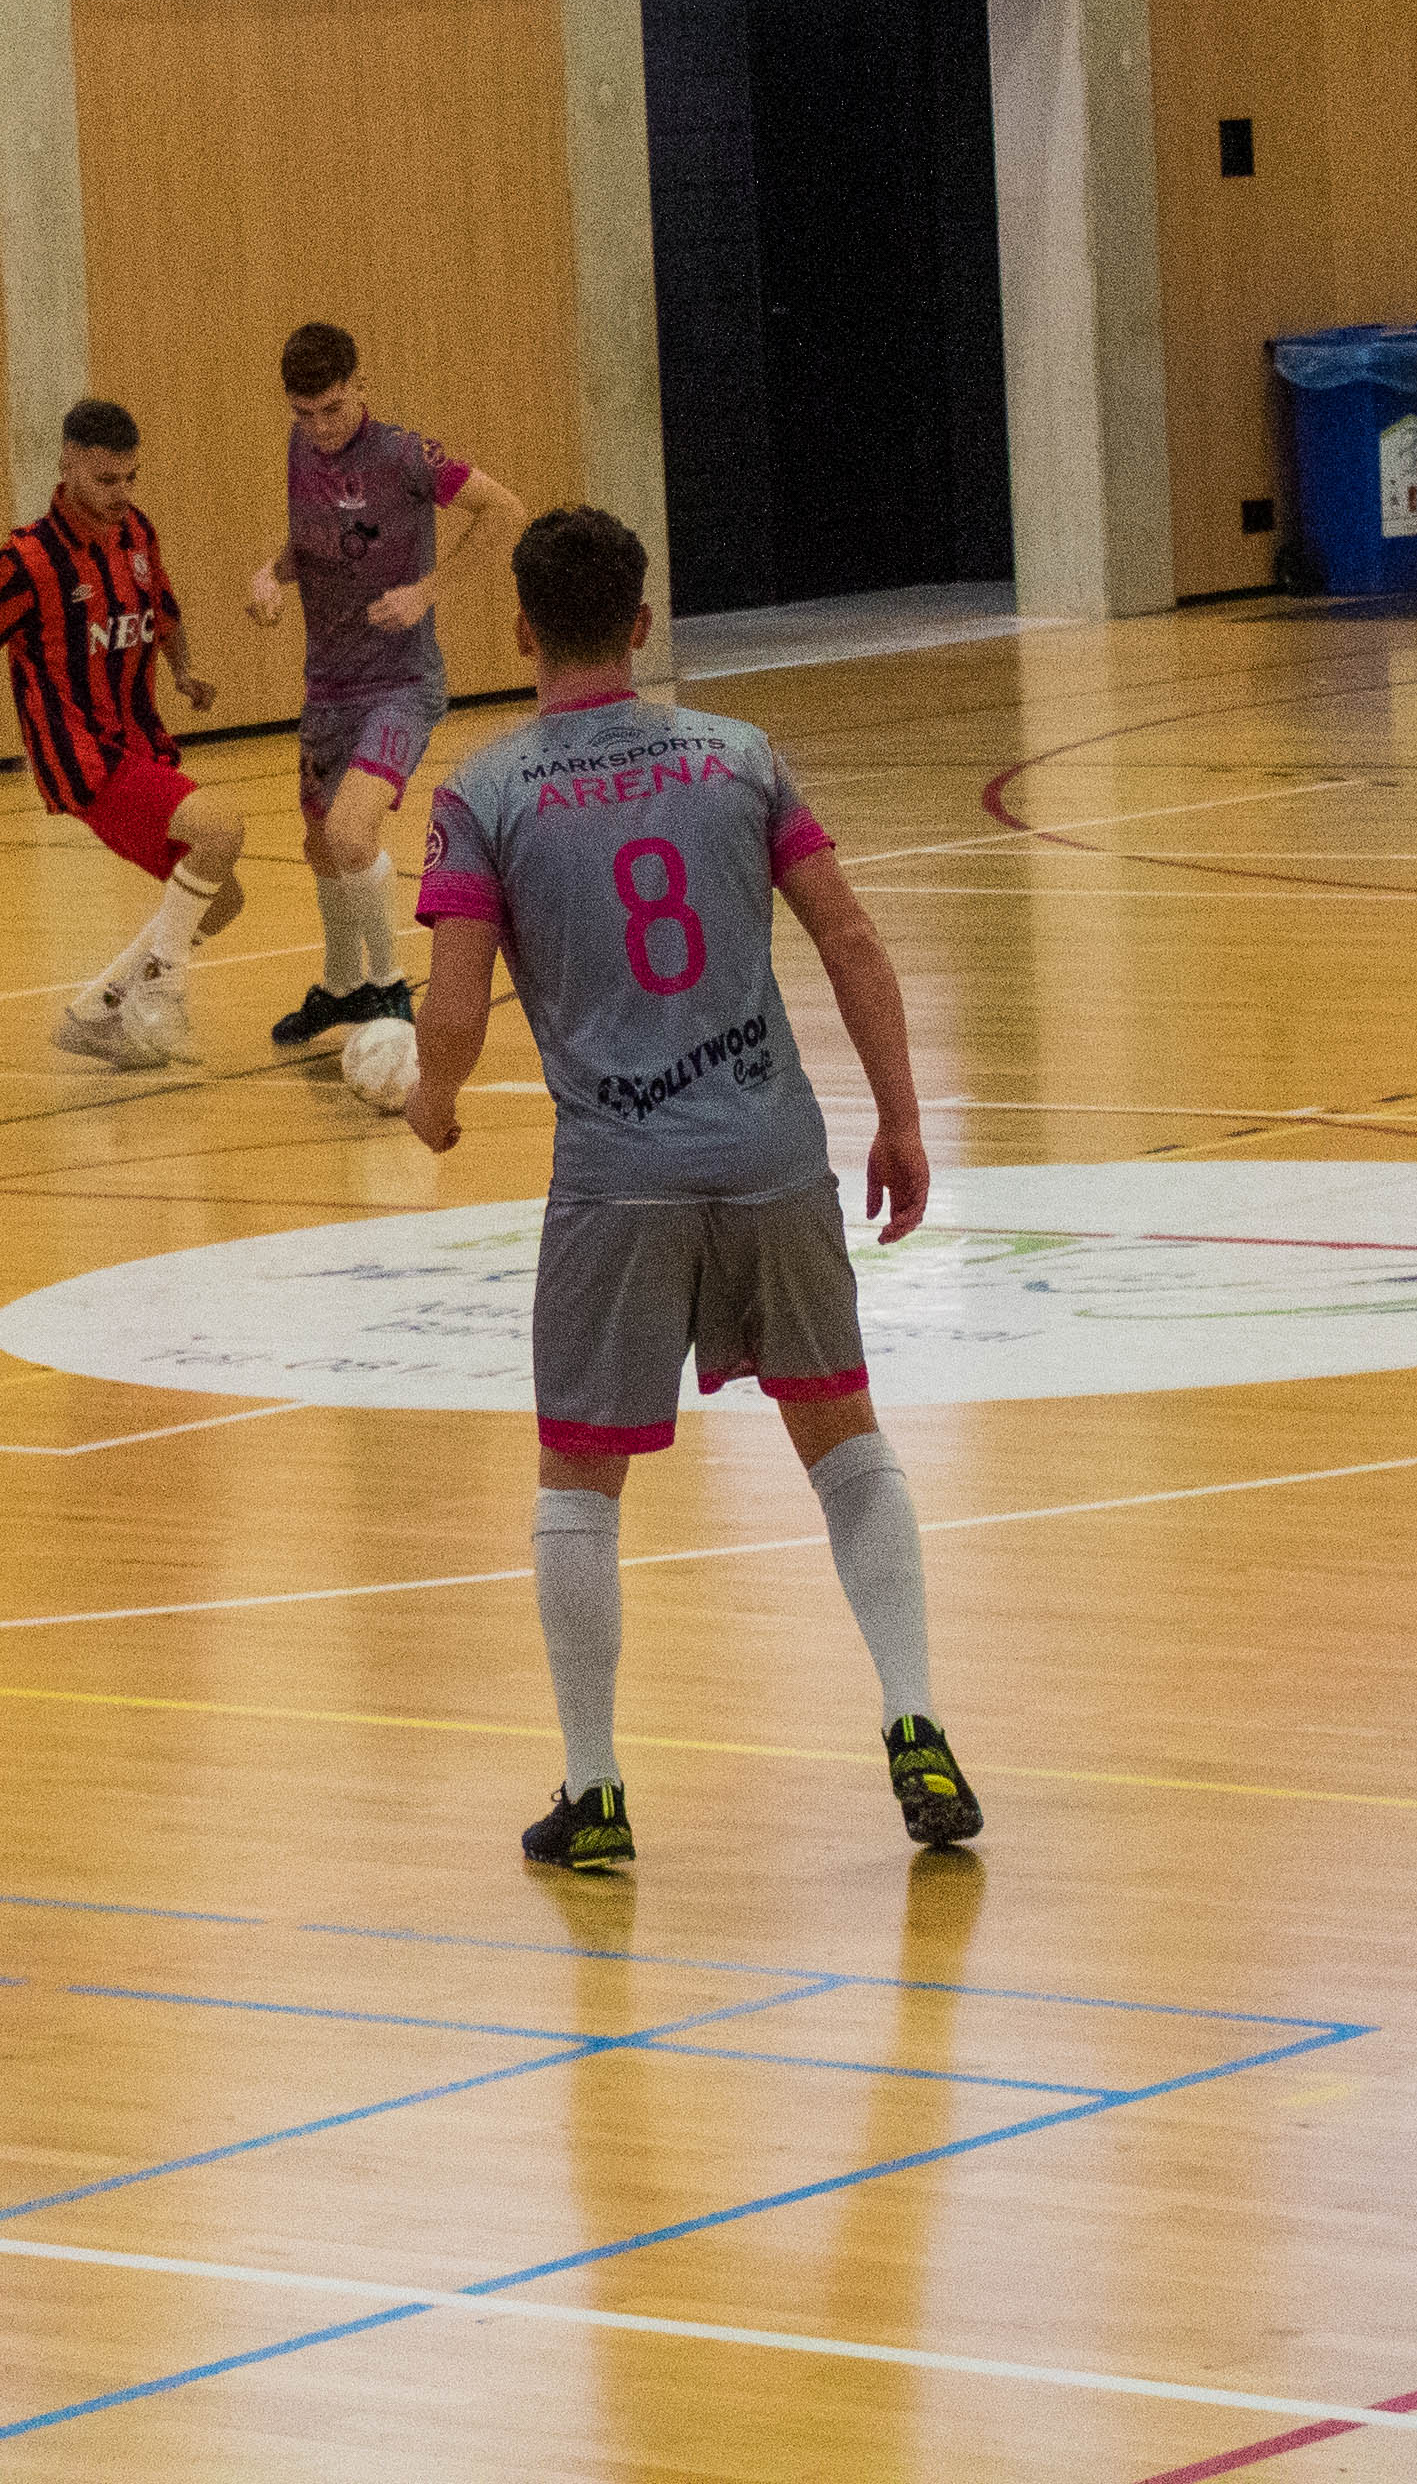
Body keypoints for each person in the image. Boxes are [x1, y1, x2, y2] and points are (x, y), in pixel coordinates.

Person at [404, 503, 976, 1870]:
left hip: (621, 1180)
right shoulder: (740, 758)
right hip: (771, 1155)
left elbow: (457, 1003)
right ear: (645, 624)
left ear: (522, 631)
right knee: (843, 1437)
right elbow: (852, 939)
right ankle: (915, 1722)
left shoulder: (481, 794)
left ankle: (596, 1789)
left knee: (579, 1476)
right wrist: (900, 1118)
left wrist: (433, 1099)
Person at [0, 398, 243, 1069]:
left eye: (131, 478)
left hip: (136, 744)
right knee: (221, 828)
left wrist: (183, 671)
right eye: (106, 480)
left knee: (220, 900)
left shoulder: (137, 532)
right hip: (83, 759)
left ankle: (96, 1015)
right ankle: (161, 995)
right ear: (67, 464)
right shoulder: (29, 560)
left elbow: (164, 611)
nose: (121, 493)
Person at [239, 321, 523, 1059]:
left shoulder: (404, 454)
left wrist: (429, 590)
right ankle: (342, 985)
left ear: (360, 385)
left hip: (401, 682)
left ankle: (391, 985)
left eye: (333, 408)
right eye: (304, 413)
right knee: (319, 844)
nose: (320, 427)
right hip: (327, 685)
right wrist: (271, 574)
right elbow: (312, 543)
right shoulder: (300, 448)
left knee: (350, 833)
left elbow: (505, 510)